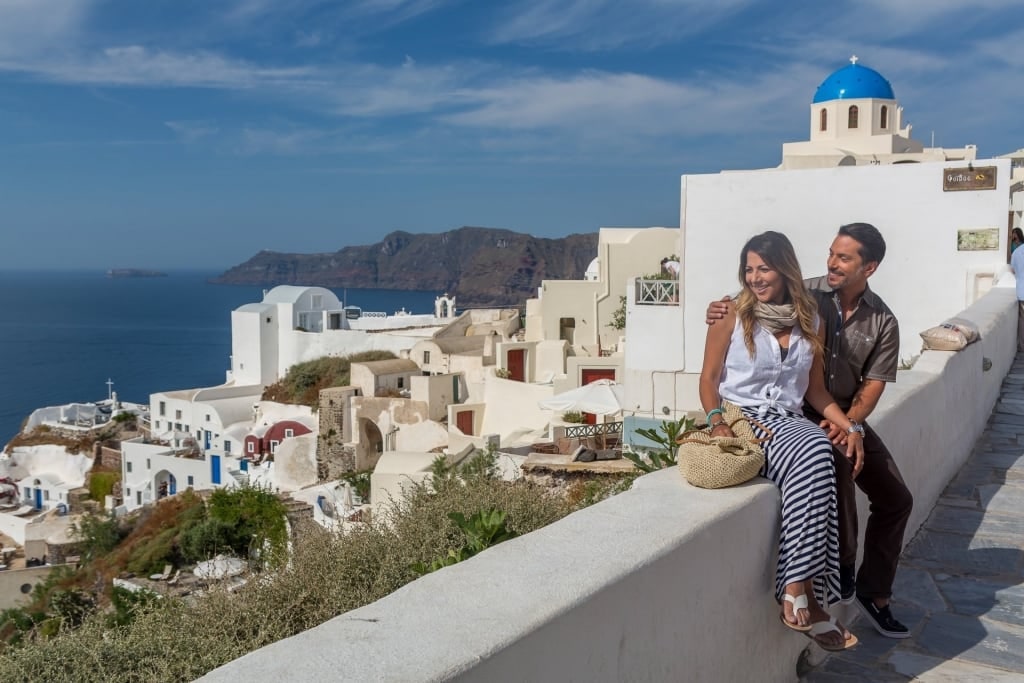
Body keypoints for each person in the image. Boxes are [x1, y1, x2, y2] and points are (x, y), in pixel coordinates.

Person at [707, 222, 913, 639]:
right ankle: (829, 581)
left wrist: (851, 425)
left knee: (895, 497)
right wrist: (718, 312)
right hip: (786, 416)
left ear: (868, 267)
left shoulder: (879, 321)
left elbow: (869, 386)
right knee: (827, 460)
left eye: (843, 258)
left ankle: (871, 594)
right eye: (831, 254)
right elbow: (713, 372)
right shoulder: (804, 293)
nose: (832, 263)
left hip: (834, 412)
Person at [700, 230, 862, 651]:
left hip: (786, 419)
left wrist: (848, 425)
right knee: (814, 452)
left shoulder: (812, 319)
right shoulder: (730, 315)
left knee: (822, 453)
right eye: (749, 269)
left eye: (764, 268)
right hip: (742, 417)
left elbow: (813, 391)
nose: (755, 277)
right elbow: (709, 379)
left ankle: (799, 587)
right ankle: (802, 590)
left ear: (785, 269)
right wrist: (718, 421)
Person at [1010, 231, 1024, 352]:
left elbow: (1012, 270)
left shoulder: (1015, 253)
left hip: (1022, 291)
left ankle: (1022, 346)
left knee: (1022, 320)